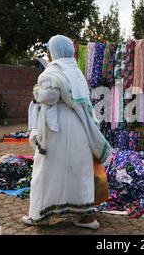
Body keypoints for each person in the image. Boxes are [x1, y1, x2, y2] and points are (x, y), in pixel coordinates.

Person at [22, 35, 111, 228]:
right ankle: (86, 217)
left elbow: (50, 97)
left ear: (53, 51)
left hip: (57, 129)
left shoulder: (52, 71)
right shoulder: (75, 71)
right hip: (78, 127)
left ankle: (40, 215)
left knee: (46, 170)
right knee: (79, 170)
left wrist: (37, 91)